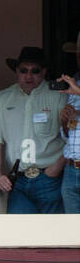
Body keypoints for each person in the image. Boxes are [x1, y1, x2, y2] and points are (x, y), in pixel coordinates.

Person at [0, 47, 67, 214]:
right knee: (19, 234)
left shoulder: (59, 96)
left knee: (53, 235)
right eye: (23, 70)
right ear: (16, 71)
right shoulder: (3, 98)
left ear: (44, 72)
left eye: (35, 71)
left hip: (49, 179)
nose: (28, 75)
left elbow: (73, 137)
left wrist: (55, 169)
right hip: (17, 180)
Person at [59, 31, 80, 214]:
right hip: (72, 168)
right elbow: (67, 135)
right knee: (72, 232)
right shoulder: (75, 83)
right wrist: (65, 120)